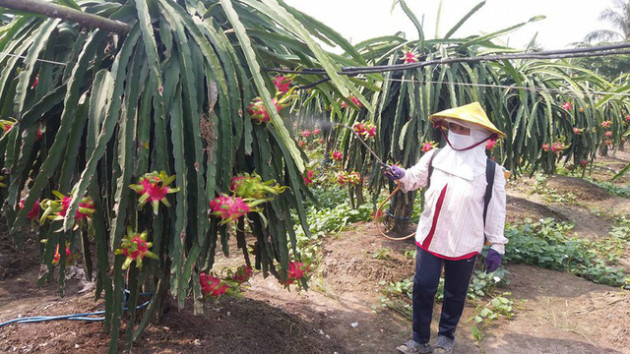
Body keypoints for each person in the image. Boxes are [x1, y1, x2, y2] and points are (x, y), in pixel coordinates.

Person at [384, 102, 508, 354]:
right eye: (451, 126)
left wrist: (497, 244)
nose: (454, 131)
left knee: (455, 293)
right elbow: (415, 178)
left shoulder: (491, 171)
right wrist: (401, 175)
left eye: (461, 128)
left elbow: (496, 208)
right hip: (430, 236)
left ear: (478, 134)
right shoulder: (436, 156)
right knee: (423, 287)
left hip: (465, 240)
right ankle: (418, 339)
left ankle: (445, 339)